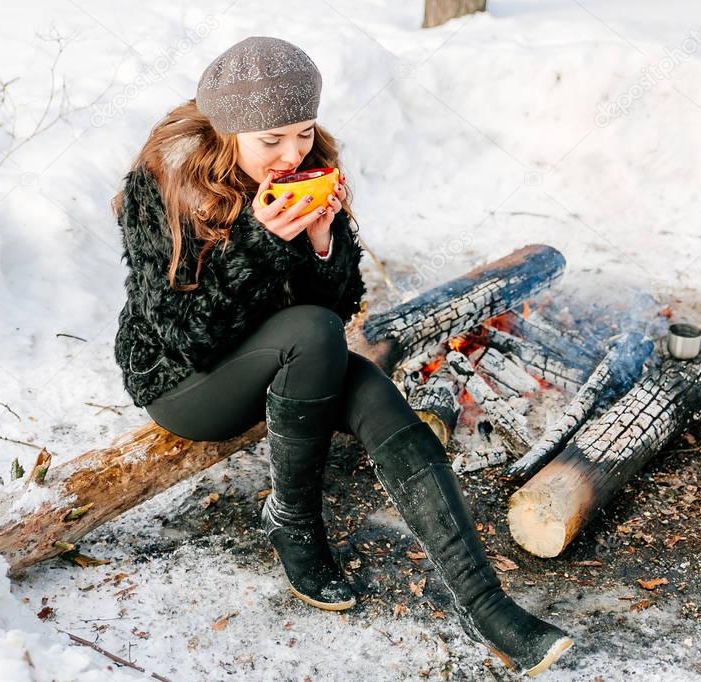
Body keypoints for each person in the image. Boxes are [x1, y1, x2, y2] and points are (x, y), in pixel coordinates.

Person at [111, 35, 574, 677]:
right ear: (227, 133)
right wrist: (259, 241)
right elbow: (182, 334)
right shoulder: (164, 185)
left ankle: (486, 604)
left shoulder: (310, 165)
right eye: (270, 141)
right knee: (313, 335)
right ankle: (293, 521)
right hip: (185, 383)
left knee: (373, 392)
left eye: (302, 133)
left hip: (290, 354)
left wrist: (323, 244)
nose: (292, 153)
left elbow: (337, 307)